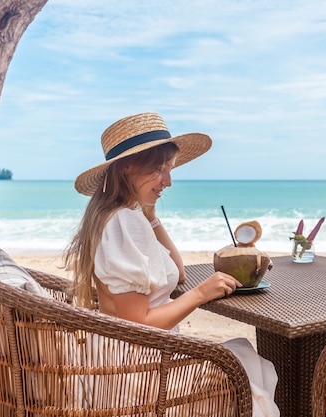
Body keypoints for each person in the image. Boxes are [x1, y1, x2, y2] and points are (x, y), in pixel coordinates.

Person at [64, 112, 279, 417]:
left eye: (169, 169)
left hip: (129, 360)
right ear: (127, 167)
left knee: (246, 354)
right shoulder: (123, 222)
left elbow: (177, 272)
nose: (168, 181)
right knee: (247, 365)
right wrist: (201, 293)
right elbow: (137, 325)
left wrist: (151, 218)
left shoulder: (127, 216)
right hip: (138, 374)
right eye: (159, 169)